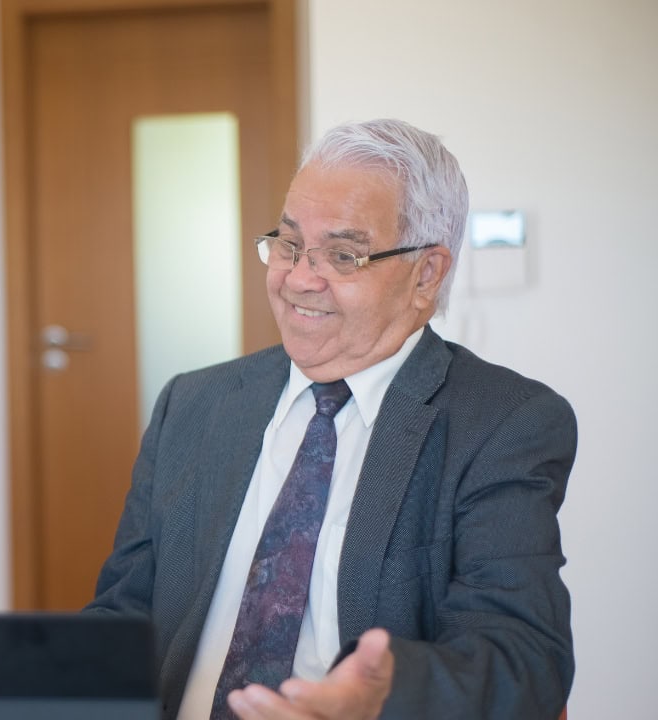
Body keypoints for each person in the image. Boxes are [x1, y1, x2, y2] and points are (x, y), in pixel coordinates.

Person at [87, 118, 574, 719]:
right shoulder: (194, 405)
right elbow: (123, 614)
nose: (298, 279)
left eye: (343, 256)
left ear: (426, 275)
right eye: (289, 244)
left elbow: (522, 657)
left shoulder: (502, 424)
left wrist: (382, 694)